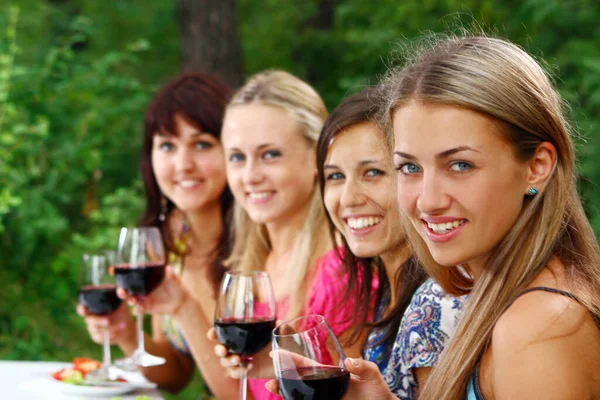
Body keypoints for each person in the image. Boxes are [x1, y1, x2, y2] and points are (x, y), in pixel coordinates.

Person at [385, 35, 600, 399]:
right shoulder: (505, 291)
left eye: (460, 164)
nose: (428, 200)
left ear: (537, 166)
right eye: (409, 167)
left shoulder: (541, 326)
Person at [266, 88, 466, 399]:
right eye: (335, 177)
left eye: (372, 172)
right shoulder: (388, 293)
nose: (348, 198)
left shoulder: (436, 301)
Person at [211, 70, 372, 400]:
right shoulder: (259, 262)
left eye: (270, 154)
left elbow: (351, 392)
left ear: (318, 157)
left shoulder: (342, 272)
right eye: (237, 157)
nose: (250, 176)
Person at [77, 72, 234, 394]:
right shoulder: (167, 242)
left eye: (202, 144)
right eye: (167, 145)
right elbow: (175, 375)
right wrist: (124, 332)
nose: (182, 164)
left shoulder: (261, 239)